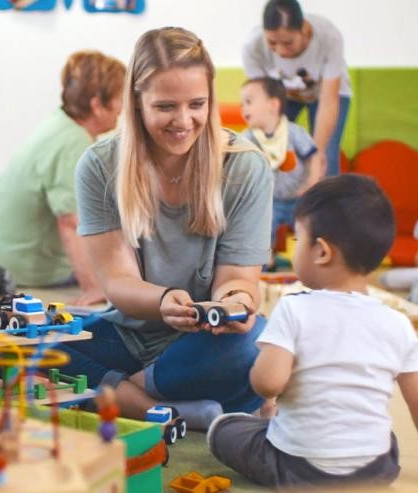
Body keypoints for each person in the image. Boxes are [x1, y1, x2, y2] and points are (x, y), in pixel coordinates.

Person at [59, 27, 273, 427]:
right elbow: (118, 282)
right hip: (129, 334)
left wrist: (234, 303)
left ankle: (122, 395)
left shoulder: (245, 166)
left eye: (197, 104)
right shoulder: (99, 165)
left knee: (258, 344)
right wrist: (164, 300)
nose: (184, 121)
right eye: (166, 107)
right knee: (26, 347)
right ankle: (159, 406)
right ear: (137, 102)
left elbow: (239, 280)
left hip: (207, 344)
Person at [208, 174, 418, 488]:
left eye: (297, 238)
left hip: (299, 467)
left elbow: (268, 384)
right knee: (381, 431)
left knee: (223, 429)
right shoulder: (398, 323)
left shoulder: (295, 308)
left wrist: (262, 371)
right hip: (376, 465)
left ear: (321, 252)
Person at [0, 50, 126, 306]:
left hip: (9, 252)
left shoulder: (62, 124)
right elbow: (71, 223)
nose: (122, 108)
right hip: (31, 264)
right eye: (119, 98)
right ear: (97, 104)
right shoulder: (74, 143)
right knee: (128, 256)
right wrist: (94, 286)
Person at [243, 0, 351, 177]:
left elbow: (329, 101)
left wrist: (318, 153)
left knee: (326, 157)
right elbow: (261, 100)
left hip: (326, 95)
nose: (281, 51)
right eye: (272, 43)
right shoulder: (252, 46)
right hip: (282, 97)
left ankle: (326, 202)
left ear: (304, 29)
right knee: (267, 147)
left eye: (288, 43)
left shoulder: (328, 37)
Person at [240, 76, 323, 268]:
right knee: (261, 228)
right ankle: (264, 263)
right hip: (270, 199)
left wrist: (311, 183)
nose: (243, 108)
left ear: (273, 104)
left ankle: (311, 263)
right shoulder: (249, 137)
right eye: (242, 103)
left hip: (298, 198)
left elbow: (314, 156)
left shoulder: (293, 133)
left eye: (249, 102)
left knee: (307, 230)